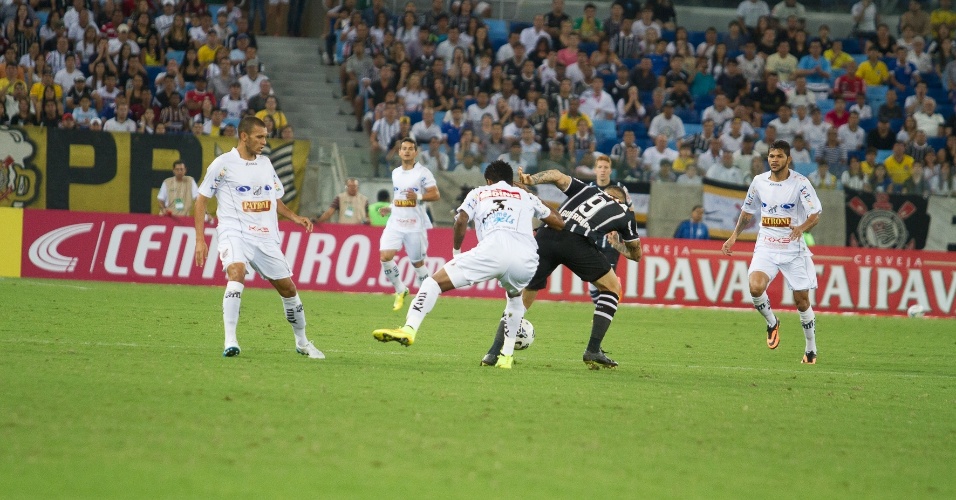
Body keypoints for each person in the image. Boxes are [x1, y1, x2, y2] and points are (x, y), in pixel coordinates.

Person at [372, 160, 564, 369]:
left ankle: (409, 328)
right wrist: (531, 197)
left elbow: (461, 220)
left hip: (493, 251)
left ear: (488, 180)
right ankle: (506, 357)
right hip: (526, 259)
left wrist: (456, 251)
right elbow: (558, 222)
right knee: (515, 298)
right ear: (511, 181)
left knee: (433, 283)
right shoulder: (527, 196)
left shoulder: (479, 192)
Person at [480, 162, 644, 369]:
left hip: (547, 234)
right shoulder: (625, 213)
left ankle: (492, 354)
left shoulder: (588, 190)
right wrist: (619, 246)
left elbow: (557, 175)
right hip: (576, 241)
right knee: (612, 288)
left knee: (521, 300)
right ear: (624, 200)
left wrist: (532, 179)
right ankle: (593, 349)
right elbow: (636, 254)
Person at [193, 116, 324, 359]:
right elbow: (201, 200)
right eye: (260, 137)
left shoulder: (265, 164)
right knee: (237, 272)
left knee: (288, 289)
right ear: (244, 136)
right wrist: (200, 239)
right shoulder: (223, 164)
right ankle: (230, 340)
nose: (264, 141)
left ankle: (302, 341)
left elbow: (274, 199)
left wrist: (294, 217)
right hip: (235, 232)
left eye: (265, 136)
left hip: (265, 237)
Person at [721, 140, 822, 365]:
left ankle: (811, 348)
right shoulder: (759, 182)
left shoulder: (801, 183)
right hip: (766, 245)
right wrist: (734, 236)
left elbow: (815, 214)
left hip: (793, 249)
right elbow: (747, 212)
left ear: (788, 159)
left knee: (801, 301)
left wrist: (801, 228)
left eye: (779, 156)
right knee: (755, 287)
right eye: (771, 156)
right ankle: (771, 322)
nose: (774, 160)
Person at [378, 138, 441, 312]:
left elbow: (435, 194)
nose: (406, 151)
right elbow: (399, 196)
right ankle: (400, 289)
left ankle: (424, 299)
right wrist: (390, 207)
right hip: (395, 223)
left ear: (415, 152)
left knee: (418, 264)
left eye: (410, 149)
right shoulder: (395, 173)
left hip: (415, 226)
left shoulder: (423, 173)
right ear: (399, 152)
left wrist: (419, 197)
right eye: (403, 148)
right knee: (385, 256)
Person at [586, 155, 633, 303]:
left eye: (606, 167)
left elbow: (630, 211)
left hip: (612, 240)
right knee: (593, 283)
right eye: (600, 167)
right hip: (592, 239)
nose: (602, 170)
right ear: (595, 170)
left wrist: (624, 232)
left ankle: (603, 311)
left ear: (610, 170)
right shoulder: (589, 189)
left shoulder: (619, 188)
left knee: (607, 279)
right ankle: (601, 307)